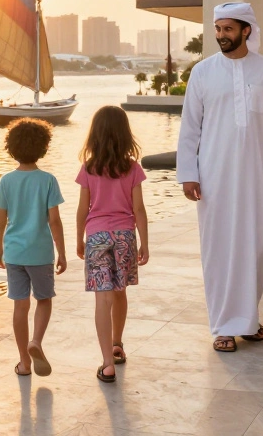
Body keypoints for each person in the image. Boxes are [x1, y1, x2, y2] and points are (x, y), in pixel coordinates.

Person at [176, 2, 263, 353]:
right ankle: (224, 326)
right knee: (220, 246)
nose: (220, 36)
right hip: (215, 173)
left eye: (228, 29)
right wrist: (188, 173)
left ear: (247, 30)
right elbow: (189, 128)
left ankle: (248, 318)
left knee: (258, 244)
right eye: (217, 29)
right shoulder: (203, 72)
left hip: (260, 171)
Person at [75, 106, 150, 383]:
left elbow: (83, 209)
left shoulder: (89, 169)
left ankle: (107, 363)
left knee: (102, 298)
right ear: (124, 134)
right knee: (119, 292)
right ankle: (117, 344)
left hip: (96, 236)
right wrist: (144, 242)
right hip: (124, 236)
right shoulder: (132, 168)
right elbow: (139, 209)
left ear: (94, 134)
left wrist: (79, 238)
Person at [0, 118, 67, 377]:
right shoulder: (48, 180)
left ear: (11, 148)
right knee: (44, 300)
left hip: (14, 252)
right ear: (43, 147)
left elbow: (0, 219)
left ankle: (24, 362)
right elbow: (54, 221)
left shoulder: (6, 180)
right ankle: (36, 341)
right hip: (40, 253)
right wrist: (62, 252)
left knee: (19, 306)